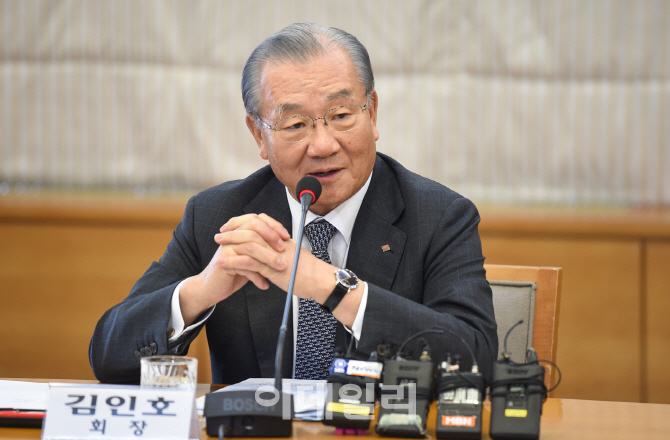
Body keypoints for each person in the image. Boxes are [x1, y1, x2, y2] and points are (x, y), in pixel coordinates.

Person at [89, 23, 498, 385]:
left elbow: (475, 359)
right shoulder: (218, 216)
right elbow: (109, 356)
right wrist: (199, 291)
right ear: (258, 135)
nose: (322, 145)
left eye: (340, 115)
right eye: (295, 124)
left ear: (372, 114)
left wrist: (328, 286)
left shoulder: (439, 216)